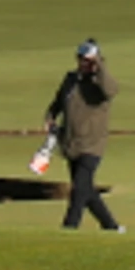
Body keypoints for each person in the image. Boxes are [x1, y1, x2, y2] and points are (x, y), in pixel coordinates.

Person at [47, 39, 122, 233]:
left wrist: (99, 67)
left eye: (88, 60)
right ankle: (112, 227)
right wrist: (51, 116)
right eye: (81, 59)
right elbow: (58, 101)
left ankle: (70, 228)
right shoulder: (71, 79)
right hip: (71, 143)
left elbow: (111, 90)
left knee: (79, 188)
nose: (84, 63)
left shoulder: (100, 82)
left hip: (92, 145)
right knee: (86, 191)